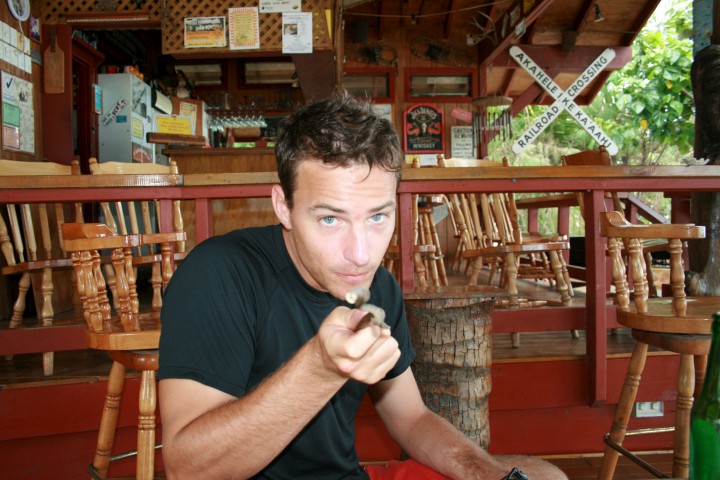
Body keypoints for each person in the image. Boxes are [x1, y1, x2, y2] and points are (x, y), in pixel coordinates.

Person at [157, 93, 568, 480]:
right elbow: (188, 469)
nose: (360, 254)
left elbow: (411, 418)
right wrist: (320, 368)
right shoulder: (219, 273)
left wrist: (488, 474)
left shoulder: (379, 287)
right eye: (330, 219)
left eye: (377, 217)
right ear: (284, 206)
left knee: (547, 476)